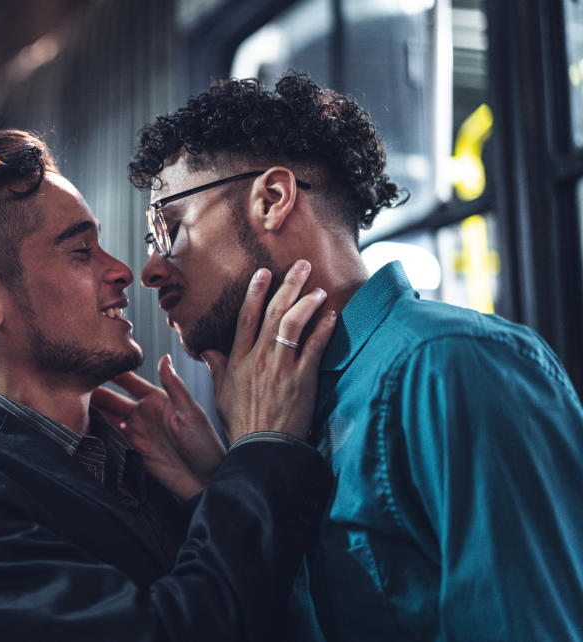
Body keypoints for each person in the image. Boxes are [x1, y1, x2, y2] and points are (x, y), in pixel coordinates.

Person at [127, 73, 583, 641]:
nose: (149, 269)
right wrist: (223, 481)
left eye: (168, 227)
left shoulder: (449, 366)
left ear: (272, 198)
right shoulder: (271, 410)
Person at [0, 129, 338, 641]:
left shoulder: (145, 458)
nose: (124, 271)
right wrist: (259, 453)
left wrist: (206, 488)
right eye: (81, 251)